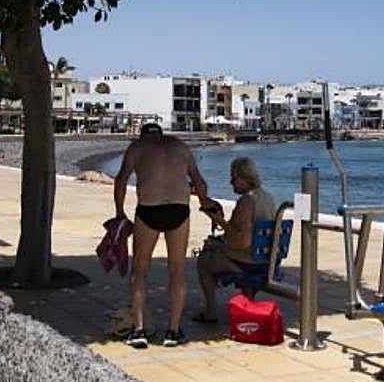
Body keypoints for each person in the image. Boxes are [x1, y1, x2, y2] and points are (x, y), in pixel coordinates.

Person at [113, 123, 209, 348]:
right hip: (178, 210)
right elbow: (199, 181)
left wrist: (119, 212)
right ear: (162, 135)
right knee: (177, 270)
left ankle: (138, 330)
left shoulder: (137, 148)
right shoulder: (180, 146)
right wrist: (205, 203)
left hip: (149, 209)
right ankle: (173, 331)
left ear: (143, 136)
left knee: (140, 268)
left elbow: (121, 180)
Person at [193, 157, 278, 324]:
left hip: (249, 262)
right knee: (215, 247)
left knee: (204, 260)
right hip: (267, 259)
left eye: (233, 178)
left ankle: (211, 311)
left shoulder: (246, 201)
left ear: (244, 177)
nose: (230, 183)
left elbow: (242, 242)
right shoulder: (268, 197)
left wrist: (218, 220)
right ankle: (248, 302)